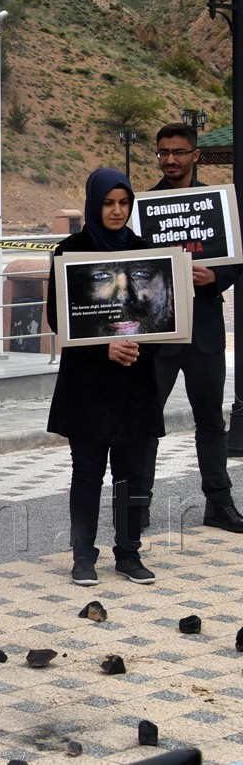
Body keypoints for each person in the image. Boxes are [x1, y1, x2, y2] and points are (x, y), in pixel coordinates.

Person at [46, 169, 164, 586]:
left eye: (123, 203)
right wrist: (104, 347)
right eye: (108, 203)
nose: (116, 211)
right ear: (94, 205)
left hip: (134, 378)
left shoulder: (143, 250)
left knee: (131, 472)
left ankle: (129, 554)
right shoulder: (70, 252)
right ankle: (83, 557)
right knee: (88, 471)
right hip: (89, 384)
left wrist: (137, 345)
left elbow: (159, 318)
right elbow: (58, 318)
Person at [142, 122, 243, 533]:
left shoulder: (217, 205)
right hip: (160, 332)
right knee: (146, 423)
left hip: (204, 331)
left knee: (211, 424)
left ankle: (218, 505)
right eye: (163, 152)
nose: (170, 159)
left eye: (178, 152)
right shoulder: (145, 207)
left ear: (195, 155)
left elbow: (234, 260)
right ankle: (137, 507)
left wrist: (214, 279)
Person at [65, 257, 174, 338]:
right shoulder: (70, 248)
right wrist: (102, 351)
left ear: (169, 283)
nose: (123, 297)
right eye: (101, 276)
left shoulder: (145, 245)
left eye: (142, 274)